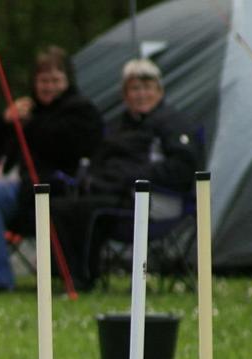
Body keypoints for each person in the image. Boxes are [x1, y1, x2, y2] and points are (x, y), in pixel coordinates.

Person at [0, 46, 103, 290]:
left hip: (40, 190)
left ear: (68, 81)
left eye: (56, 80)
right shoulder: (25, 110)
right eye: (43, 80)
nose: (49, 87)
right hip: (1, 179)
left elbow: (66, 147)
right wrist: (4, 121)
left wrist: (30, 124)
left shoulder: (81, 111)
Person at [52, 58, 202, 288]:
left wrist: (130, 179)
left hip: (154, 199)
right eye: (134, 88)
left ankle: (82, 278)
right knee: (60, 206)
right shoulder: (118, 126)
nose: (141, 94)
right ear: (125, 94)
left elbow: (181, 169)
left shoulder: (174, 123)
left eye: (147, 87)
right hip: (113, 193)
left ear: (159, 90)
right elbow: (99, 161)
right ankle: (65, 275)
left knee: (88, 209)